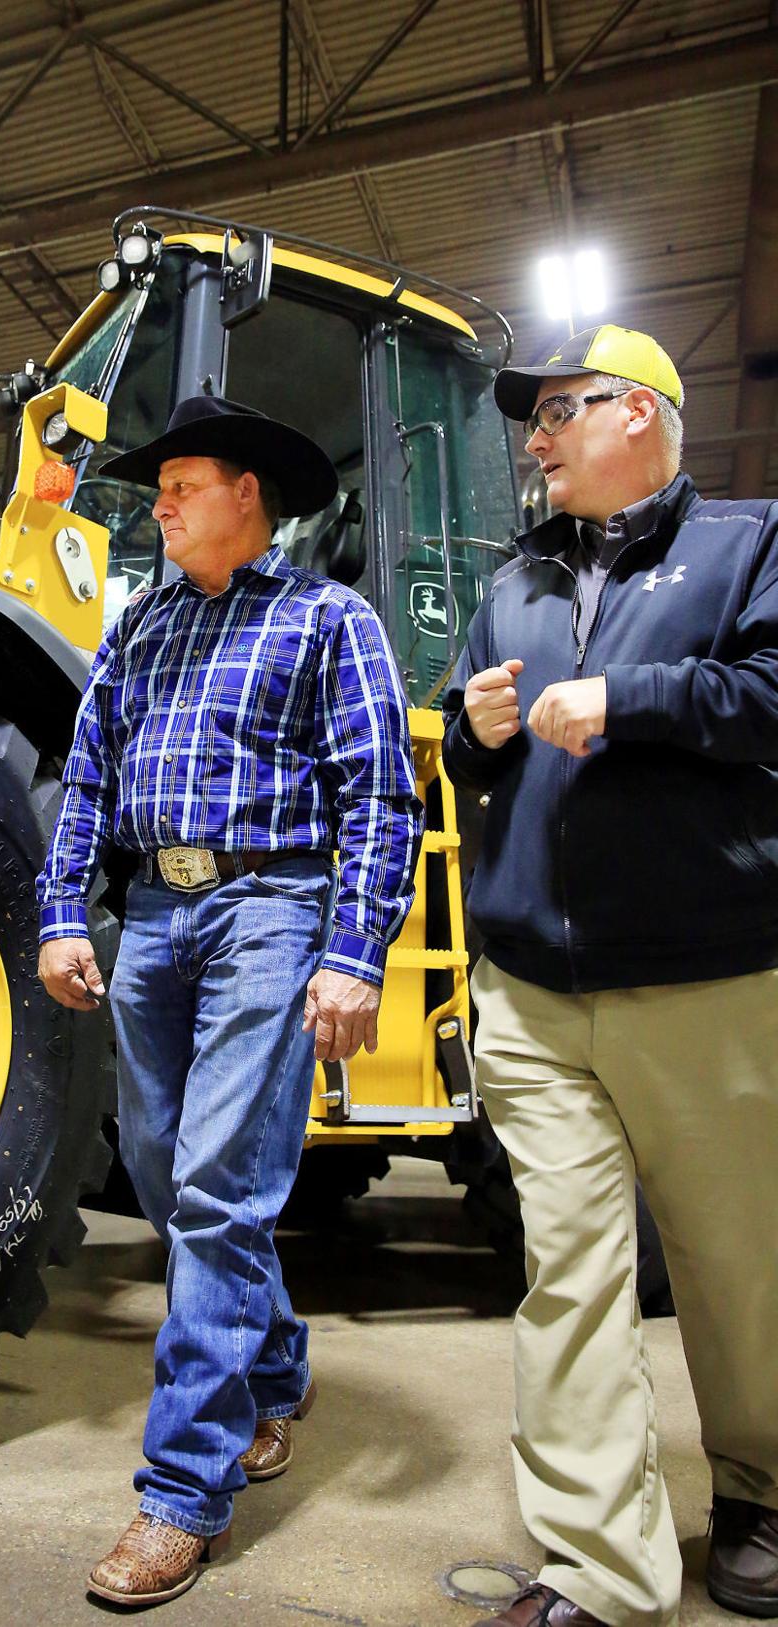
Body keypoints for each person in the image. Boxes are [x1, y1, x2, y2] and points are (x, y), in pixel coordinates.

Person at [37, 394, 422, 1607]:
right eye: (159, 488)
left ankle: (182, 1492)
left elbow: (378, 794)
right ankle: (277, 1363)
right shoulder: (138, 629)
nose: (158, 502)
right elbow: (88, 778)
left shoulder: (329, 619)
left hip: (273, 907)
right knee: (156, 1168)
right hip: (157, 911)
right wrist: (62, 912)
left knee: (215, 1183)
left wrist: (353, 950)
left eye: (181, 482)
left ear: (247, 494)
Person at [441, 324, 778, 1627]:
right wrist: (472, 731)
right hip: (531, 990)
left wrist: (629, 697)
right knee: (568, 1278)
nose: (536, 441)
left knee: (738, 1265)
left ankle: (758, 1489)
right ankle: (599, 1567)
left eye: (558, 412)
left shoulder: (751, 543)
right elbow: (484, 753)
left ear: (638, 412)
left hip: (709, 980)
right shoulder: (515, 579)